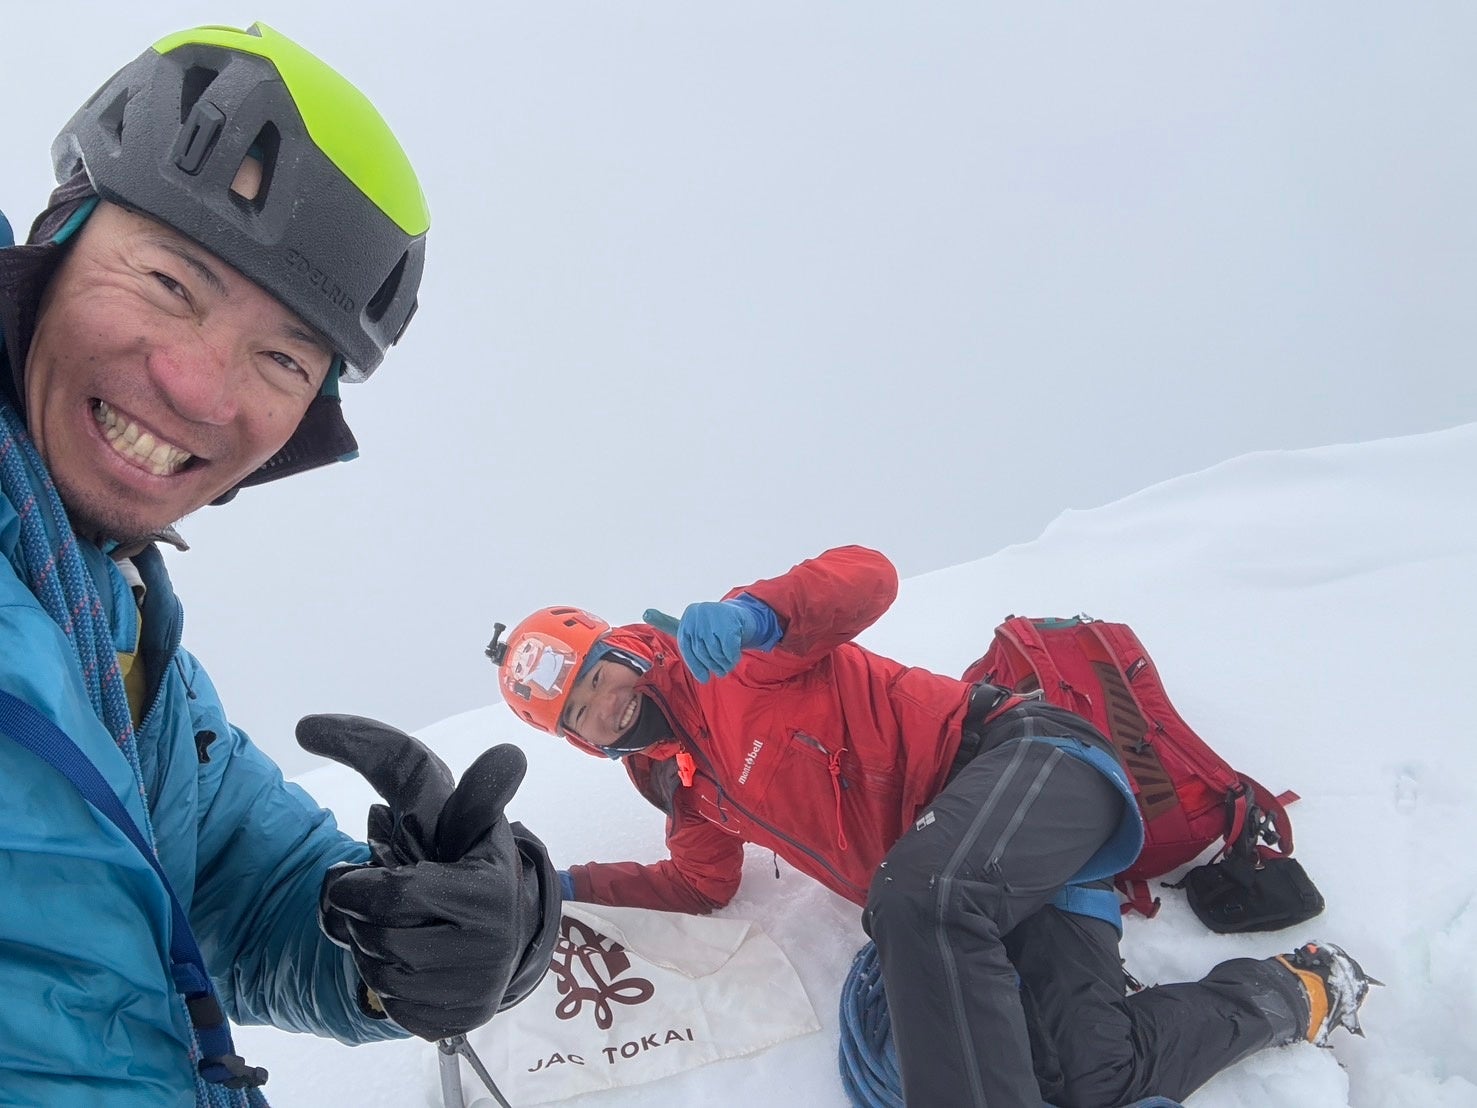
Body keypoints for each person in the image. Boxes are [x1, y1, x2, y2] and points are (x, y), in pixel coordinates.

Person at [0, 23, 557, 1107]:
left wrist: (438, 929)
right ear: (53, 242)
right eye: (171, 280)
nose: (201, 389)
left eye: (283, 357)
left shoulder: (137, 665)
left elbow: (257, 898)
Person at [491, 544, 1376, 1107]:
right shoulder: (689, 794)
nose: (605, 707)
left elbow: (865, 577)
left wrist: (761, 611)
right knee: (1085, 1076)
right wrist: (558, 886)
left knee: (916, 897)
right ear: (576, 741)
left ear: (618, 649)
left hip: (1036, 766)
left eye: (596, 678)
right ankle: (1290, 993)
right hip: (1001, 881)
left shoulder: (734, 660)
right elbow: (696, 886)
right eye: (579, 715)